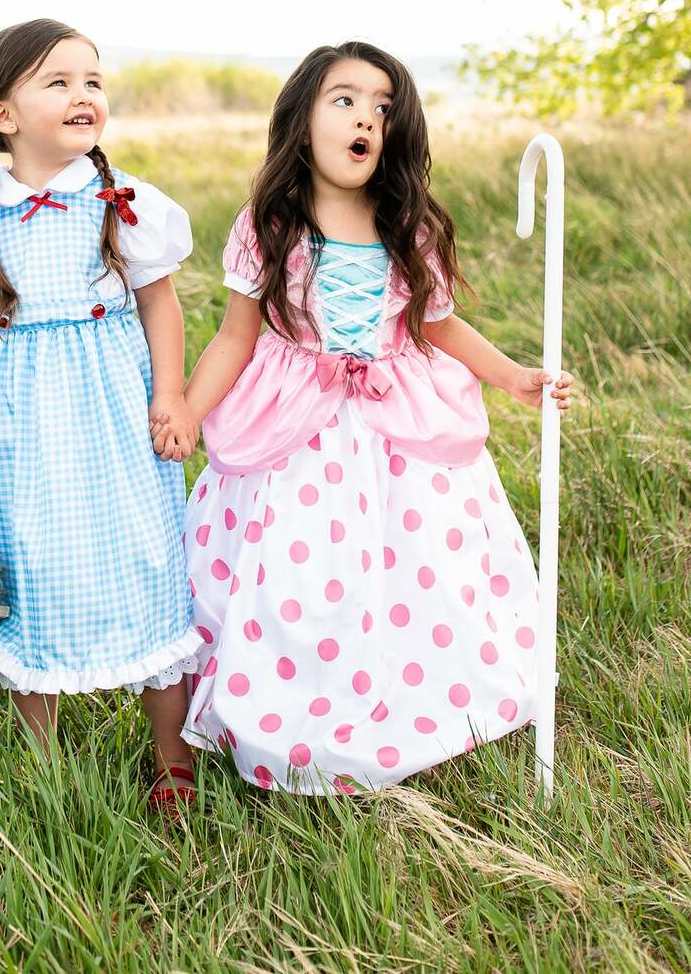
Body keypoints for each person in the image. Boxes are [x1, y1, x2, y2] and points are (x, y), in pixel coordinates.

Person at [154, 40, 573, 794]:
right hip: (295, 432)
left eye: (382, 108)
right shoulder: (269, 223)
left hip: (395, 425)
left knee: (416, 569)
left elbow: (437, 324)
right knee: (301, 576)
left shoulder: (406, 224)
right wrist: (186, 405)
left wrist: (514, 377)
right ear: (302, 119)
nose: (365, 119)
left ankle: (414, 701)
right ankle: (291, 705)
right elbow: (236, 335)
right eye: (345, 100)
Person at [0, 18, 202, 810]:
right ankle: (44, 768)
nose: (82, 94)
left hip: (116, 414)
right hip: (21, 427)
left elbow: (161, 305)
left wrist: (171, 395)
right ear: (4, 114)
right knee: (31, 569)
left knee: (148, 559)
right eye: (57, 82)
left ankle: (173, 759)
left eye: (92, 80)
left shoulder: (122, 201)